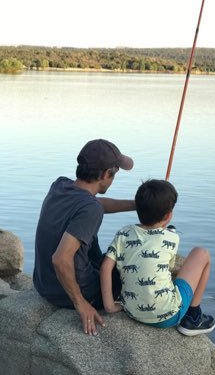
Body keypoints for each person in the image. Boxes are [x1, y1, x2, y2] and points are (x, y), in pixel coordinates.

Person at [33, 138, 135, 336]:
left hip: (43, 284)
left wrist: (135, 205)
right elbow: (60, 259)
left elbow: (96, 204)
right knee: (131, 263)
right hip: (70, 293)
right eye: (115, 175)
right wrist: (81, 303)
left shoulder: (60, 185)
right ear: (106, 174)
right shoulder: (90, 209)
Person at [100, 179, 215, 336]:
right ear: (169, 215)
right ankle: (194, 317)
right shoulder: (171, 237)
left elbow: (106, 267)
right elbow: (168, 266)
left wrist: (109, 306)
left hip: (132, 311)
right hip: (168, 317)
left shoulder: (122, 233)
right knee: (202, 253)